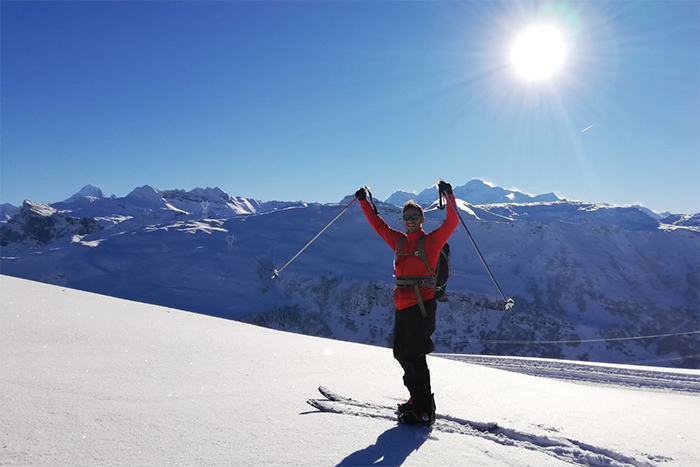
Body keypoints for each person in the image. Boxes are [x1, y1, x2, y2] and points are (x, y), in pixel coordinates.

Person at [355, 181, 458, 426]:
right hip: (402, 306)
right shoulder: (400, 242)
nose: (410, 220)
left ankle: (425, 409)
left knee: (415, 356)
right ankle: (416, 400)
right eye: (406, 216)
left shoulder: (430, 242)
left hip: (422, 307)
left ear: (422, 219)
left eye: (414, 216)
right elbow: (378, 225)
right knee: (401, 353)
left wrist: (449, 195)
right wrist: (363, 202)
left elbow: (452, 223)